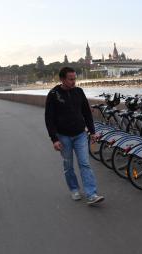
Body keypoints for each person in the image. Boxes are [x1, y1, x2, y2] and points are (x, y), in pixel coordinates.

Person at [45, 67, 104, 205]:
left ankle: (91, 194)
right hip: (63, 136)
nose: (73, 82)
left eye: (74, 79)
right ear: (62, 79)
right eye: (70, 79)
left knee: (84, 163)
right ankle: (74, 189)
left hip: (80, 134)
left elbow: (86, 113)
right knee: (68, 165)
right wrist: (54, 139)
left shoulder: (79, 91)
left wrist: (92, 131)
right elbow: (49, 118)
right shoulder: (53, 94)